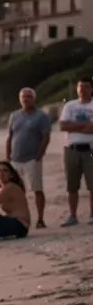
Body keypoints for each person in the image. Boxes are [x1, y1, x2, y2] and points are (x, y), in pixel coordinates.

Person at [6, 87, 51, 229]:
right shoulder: (14, 115)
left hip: (32, 159)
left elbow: (46, 137)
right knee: (13, 190)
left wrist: (39, 155)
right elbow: (10, 136)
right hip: (15, 159)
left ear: (34, 99)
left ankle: (40, 219)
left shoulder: (41, 116)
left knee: (37, 189)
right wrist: (7, 155)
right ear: (19, 99)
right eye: (23, 97)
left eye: (28, 97)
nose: (25, 99)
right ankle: (16, 218)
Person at [59, 78, 93, 227]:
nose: (82, 90)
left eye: (86, 87)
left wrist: (74, 126)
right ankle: (73, 215)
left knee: (92, 185)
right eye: (80, 87)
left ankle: (92, 215)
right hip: (72, 148)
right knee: (72, 185)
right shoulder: (70, 106)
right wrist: (85, 125)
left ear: (91, 89)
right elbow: (63, 125)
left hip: (90, 149)